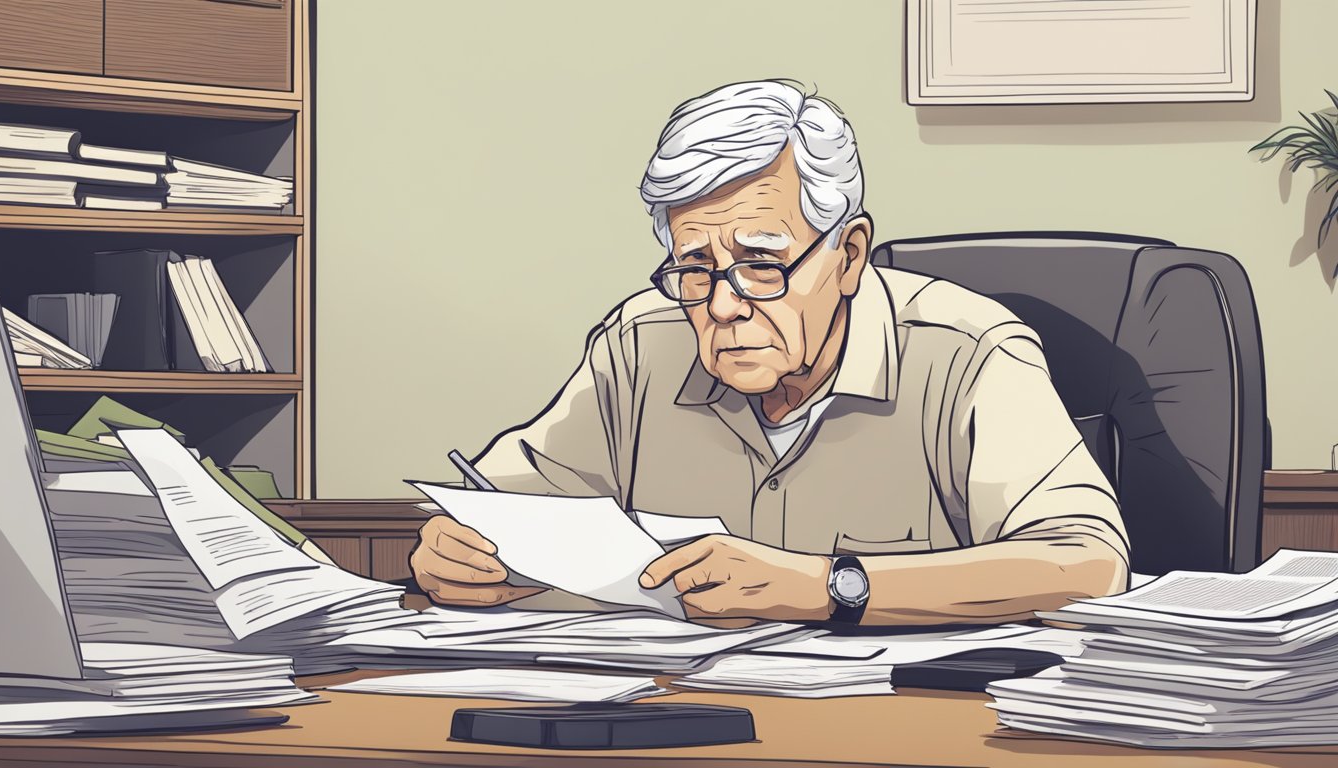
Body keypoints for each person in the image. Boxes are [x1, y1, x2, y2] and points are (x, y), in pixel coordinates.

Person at [410, 80, 1129, 626]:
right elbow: (498, 508)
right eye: (695, 268)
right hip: (668, 728)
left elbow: (1089, 563)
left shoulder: (969, 354)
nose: (721, 305)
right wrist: (454, 552)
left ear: (848, 256)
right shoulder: (641, 344)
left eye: (761, 264)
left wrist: (826, 587)